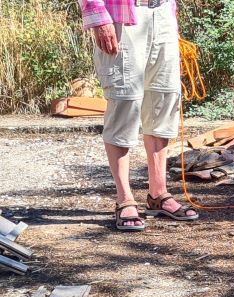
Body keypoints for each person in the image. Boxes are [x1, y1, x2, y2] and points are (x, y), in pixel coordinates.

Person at [80, 0, 199, 231]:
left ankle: (158, 194)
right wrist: (99, 18)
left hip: (162, 13)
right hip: (122, 17)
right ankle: (124, 199)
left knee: (163, 101)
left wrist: (170, 17)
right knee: (124, 104)